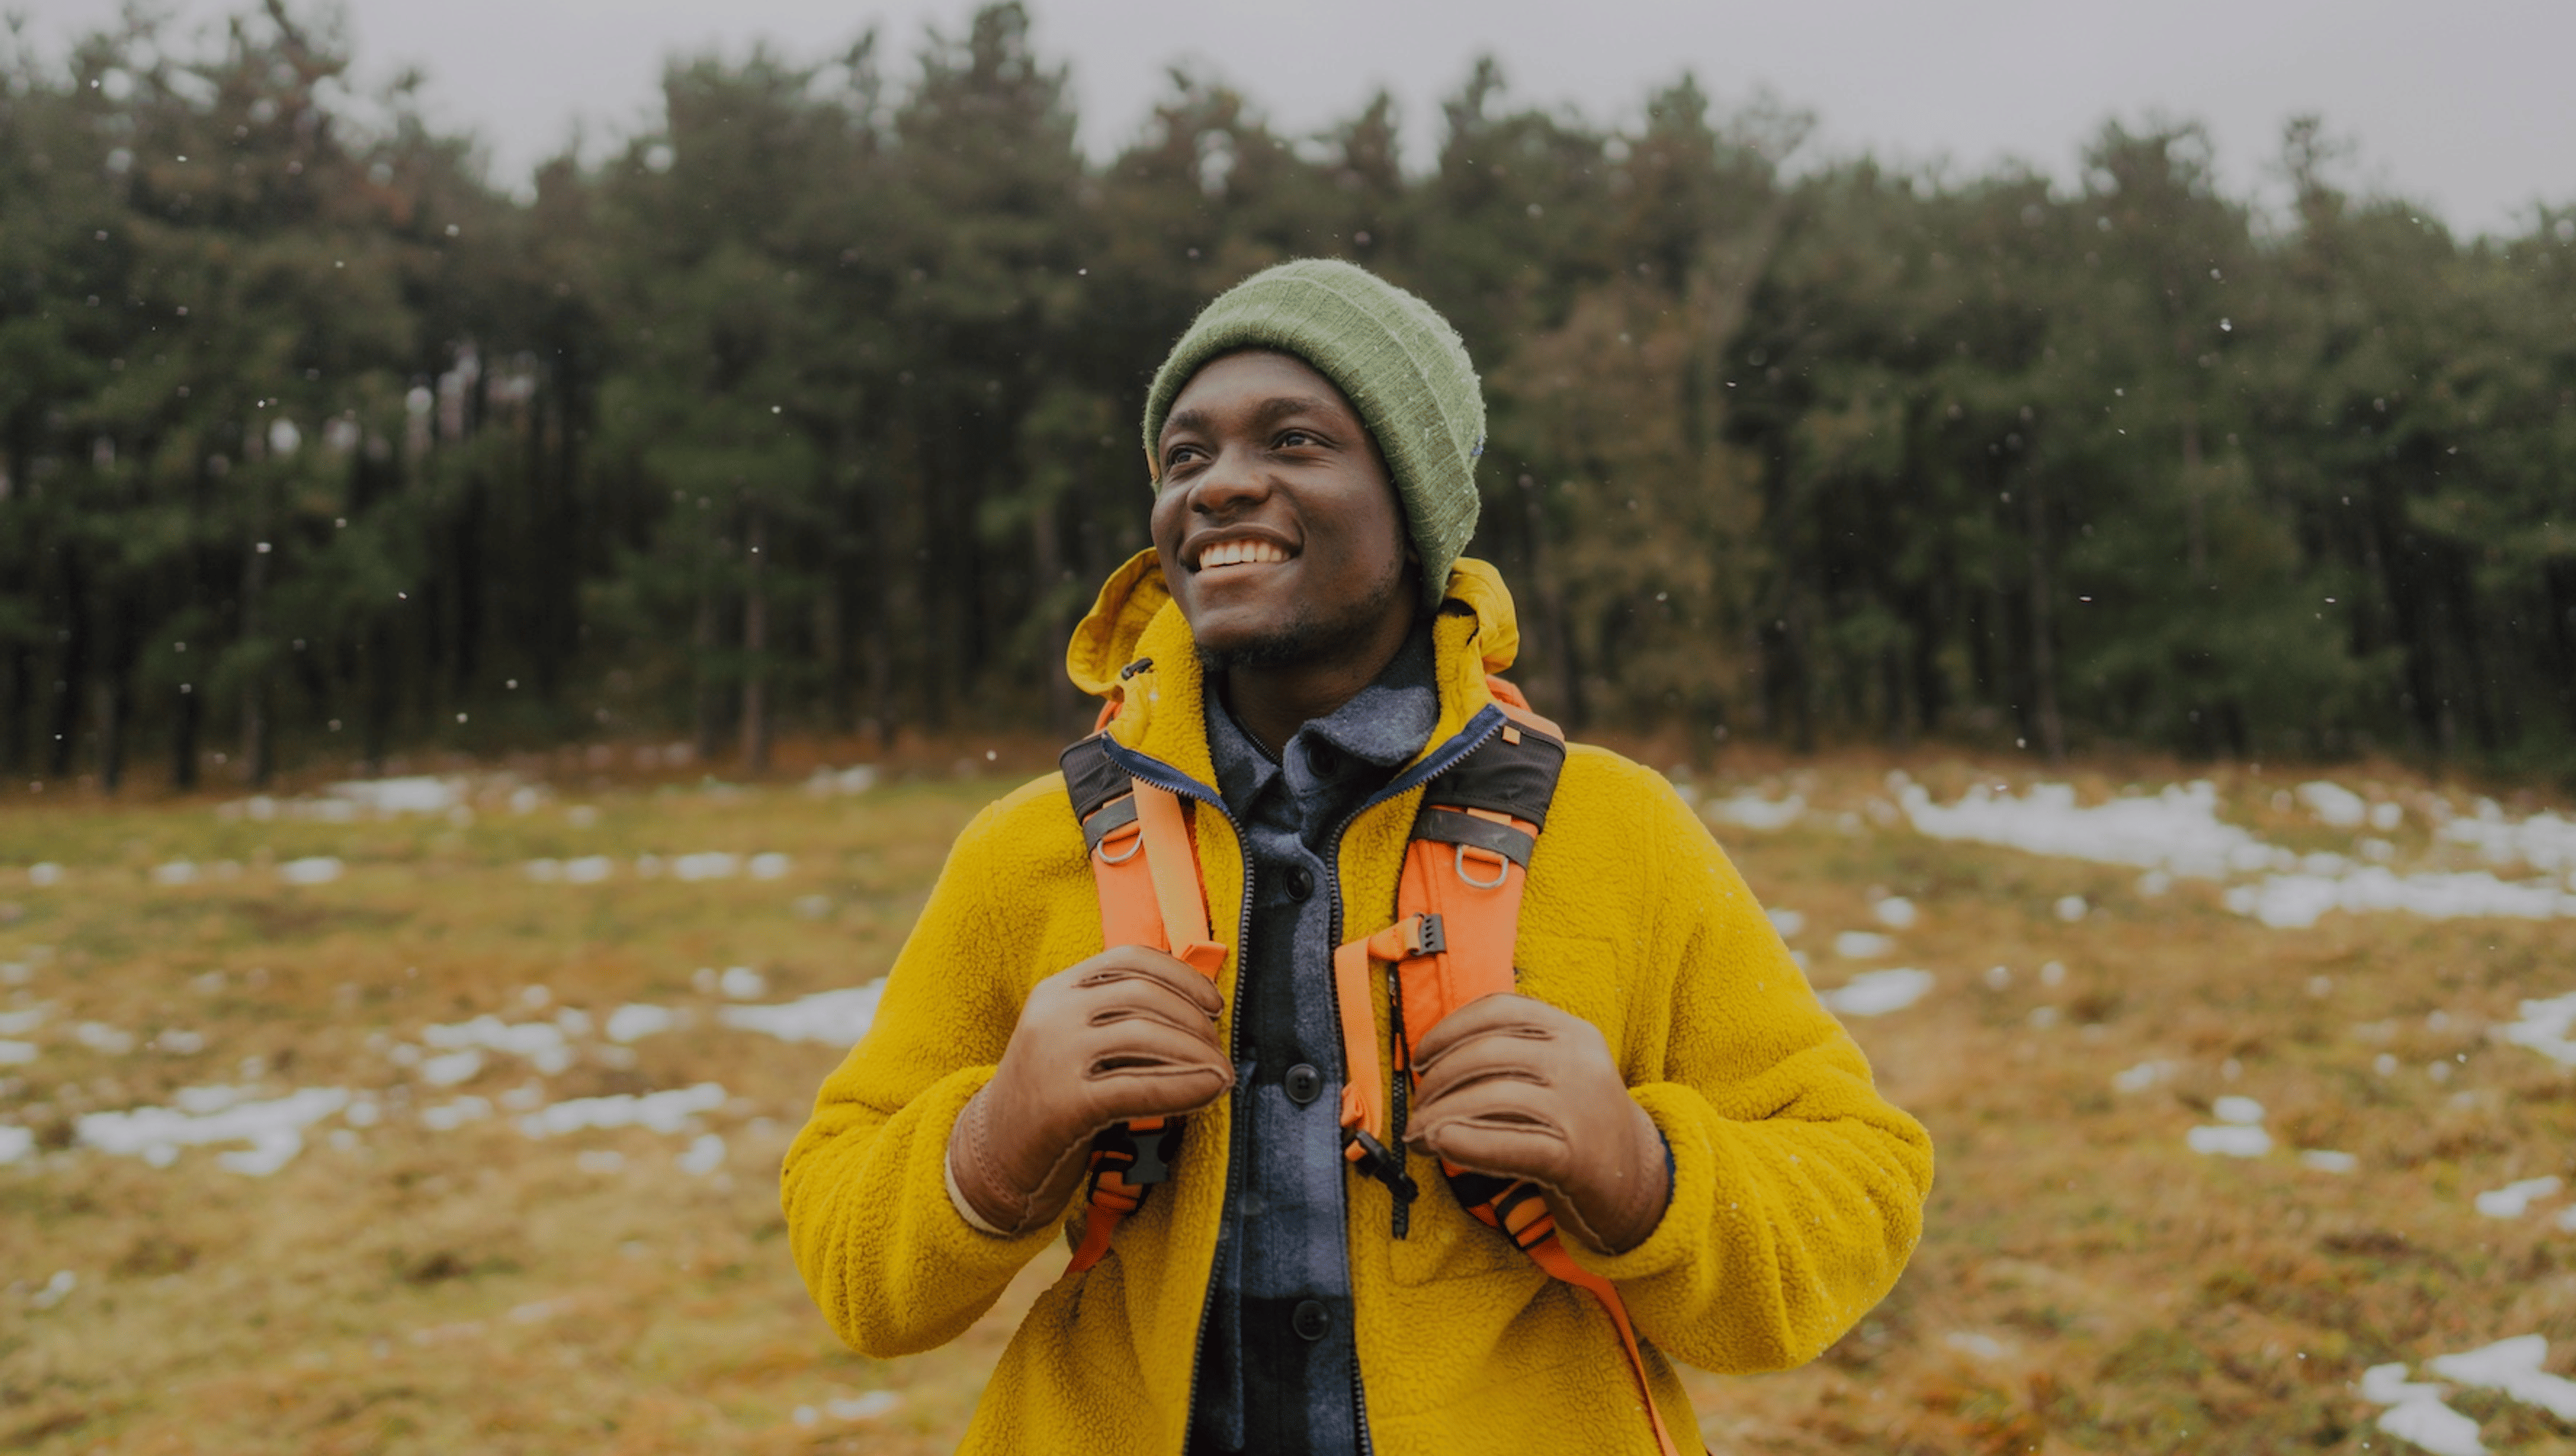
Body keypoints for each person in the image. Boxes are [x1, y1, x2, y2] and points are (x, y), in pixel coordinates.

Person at [782, 260, 1932, 1454]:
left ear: (1416, 502)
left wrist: (1643, 1175)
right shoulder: (1026, 849)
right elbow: (851, 1269)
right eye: (1184, 457)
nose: (1221, 484)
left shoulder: (1618, 829)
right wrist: (994, 1142)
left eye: (1294, 440)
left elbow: (1859, 1189)